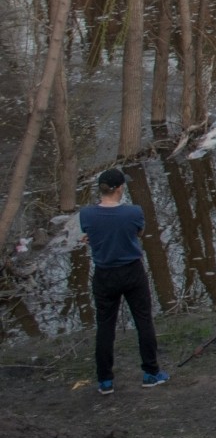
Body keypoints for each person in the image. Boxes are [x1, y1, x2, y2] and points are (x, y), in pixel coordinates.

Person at [80, 168, 167, 394]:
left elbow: (91, 235)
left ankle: (105, 380)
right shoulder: (134, 212)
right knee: (143, 321)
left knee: (105, 326)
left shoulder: (87, 215)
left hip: (104, 274)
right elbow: (137, 233)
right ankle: (151, 373)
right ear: (119, 188)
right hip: (132, 272)